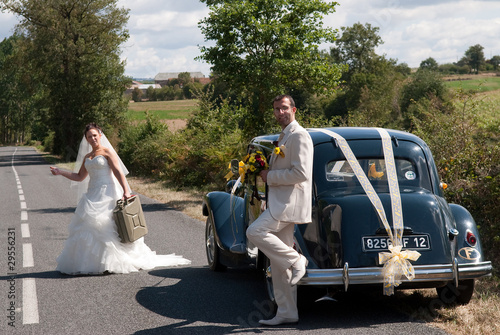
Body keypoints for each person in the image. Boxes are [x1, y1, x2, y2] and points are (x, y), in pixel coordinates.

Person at [50, 123, 190, 275]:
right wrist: (60, 172)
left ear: (100, 135)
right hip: (92, 194)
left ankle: (111, 262)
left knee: (109, 226)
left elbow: (118, 172)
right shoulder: (87, 157)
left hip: (109, 192)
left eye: (95, 135)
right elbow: (79, 177)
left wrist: (126, 191)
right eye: (89, 136)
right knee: (90, 226)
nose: (92, 138)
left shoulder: (107, 152)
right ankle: (92, 263)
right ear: (86, 139)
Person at [246, 95, 313, 326]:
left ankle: (297, 260)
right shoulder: (283, 136)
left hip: (288, 204)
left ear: (293, 109)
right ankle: (287, 312)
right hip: (279, 202)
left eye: (284, 108)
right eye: (276, 109)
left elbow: (301, 173)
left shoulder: (299, 135)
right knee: (277, 261)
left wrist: (269, 176)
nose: (280, 113)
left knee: (254, 232)